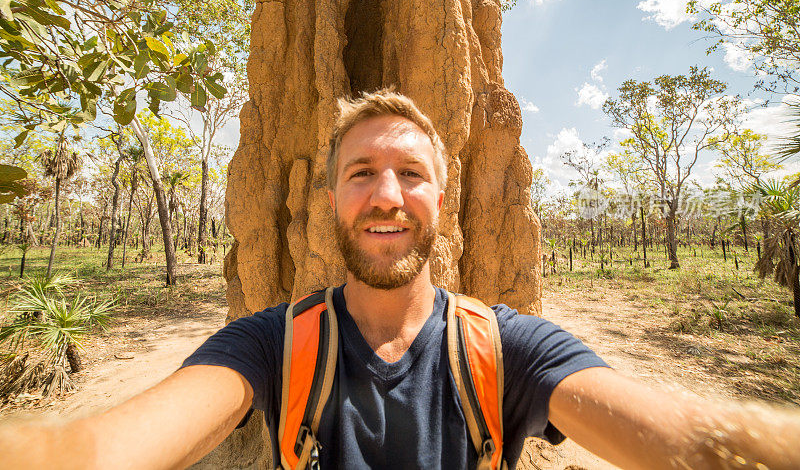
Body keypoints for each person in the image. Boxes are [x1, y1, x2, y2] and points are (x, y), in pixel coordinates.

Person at [2, 90, 799, 470]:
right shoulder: (270, 344)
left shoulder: (507, 346)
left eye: (411, 173)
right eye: (362, 173)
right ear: (329, 200)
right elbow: (93, 450)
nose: (387, 194)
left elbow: (696, 441)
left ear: (445, 202)